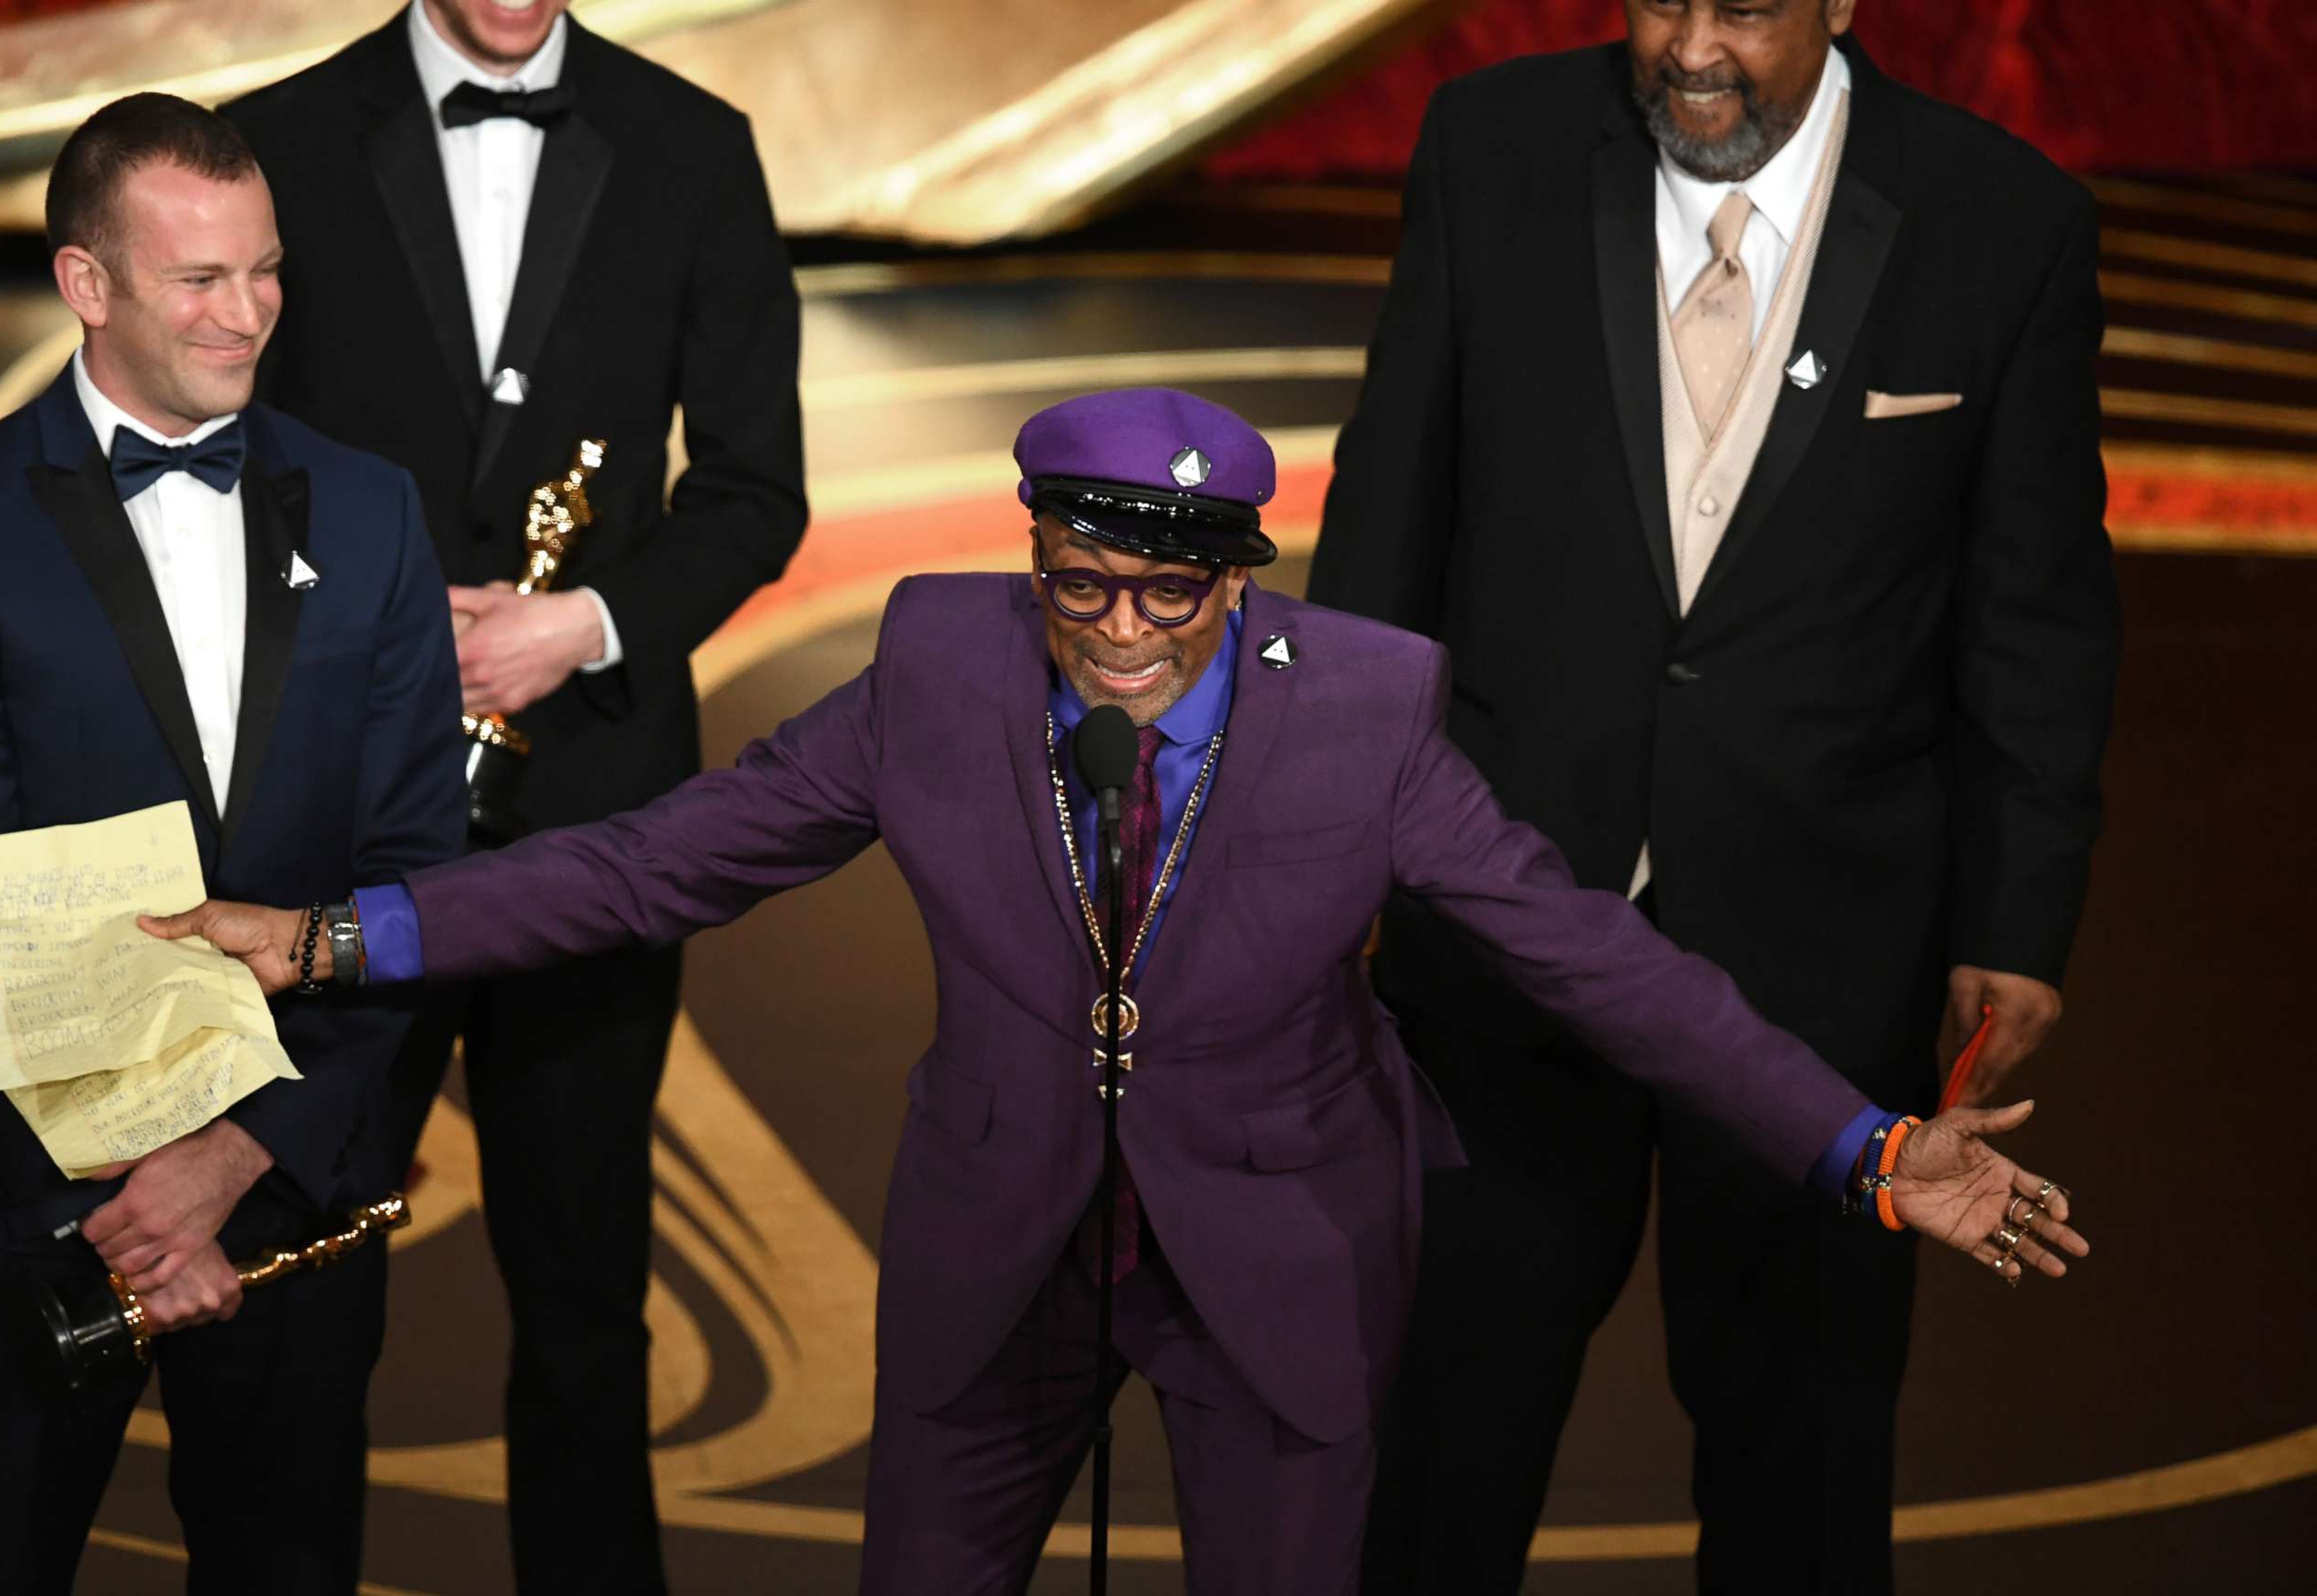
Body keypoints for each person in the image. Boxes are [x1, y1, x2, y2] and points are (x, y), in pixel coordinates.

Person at [150, 387, 2088, 1595]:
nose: (1135, 636)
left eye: (1183, 595)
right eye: (1090, 588)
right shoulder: (941, 671)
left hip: (1284, 1247)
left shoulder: (1375, 717)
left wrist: (1859, 1145)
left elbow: (1594, 955)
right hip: (1004, 1237)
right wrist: (331, 938)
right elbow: (659, 863)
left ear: (1243, 578)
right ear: (1035, 559)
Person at [1308, 1, 2122, 1589]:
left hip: (1826, 962)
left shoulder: (2004, 220)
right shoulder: (1491, 150)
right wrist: (1330, 845)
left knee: (1801, 1467)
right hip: (1498, 927)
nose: (1690, 48)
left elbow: (2034, 612)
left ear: (1839, 1)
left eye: (1741, 8)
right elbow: (1385, 516)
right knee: (1436, 1453)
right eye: (1659, 0)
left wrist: (2021, 920)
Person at [222, 3, 807, 1584]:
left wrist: (582, 626)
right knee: (290, 1283)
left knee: (585, 1293)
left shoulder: (695, 146)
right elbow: (211, 449)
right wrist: (391, 626)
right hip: (327, 802)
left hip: (597, 813)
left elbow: (756, 488)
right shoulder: (273, 138)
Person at [0, 94, 465, 1593]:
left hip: (294, 1186)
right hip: (20, 1200)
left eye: (267, 270)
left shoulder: (375, 512)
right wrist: (136, 1189)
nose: (250, 316)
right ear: (86, 284)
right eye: (200, 280)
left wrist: (245, 1152)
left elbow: (422, 867)